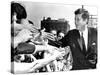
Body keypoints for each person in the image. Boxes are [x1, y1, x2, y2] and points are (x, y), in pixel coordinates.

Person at [11, 2, 67, 73]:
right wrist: (54, 57)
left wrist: (50, 48)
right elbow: (32, 66)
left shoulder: (17, 45)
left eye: (18, 20)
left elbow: (32, 47)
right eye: (14, 21)